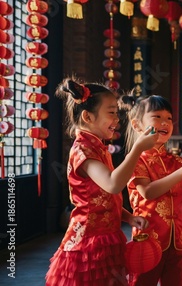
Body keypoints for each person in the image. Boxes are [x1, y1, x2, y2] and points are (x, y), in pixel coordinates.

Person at [46, 78, 156, 286]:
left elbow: (104, 197)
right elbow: (113, 184)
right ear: (88, 116)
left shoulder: (97, 147)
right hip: (89, 242)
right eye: (111, 112)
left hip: (107, 237)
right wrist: (138, 148)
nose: (117, 119)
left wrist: (128, 217)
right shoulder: (83, 150)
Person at [119, 94, 182, 286]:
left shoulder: (176, 161)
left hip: (176, 239)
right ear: (137, 125)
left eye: (169, 118)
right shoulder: (136, 160)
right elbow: (148, 192)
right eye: (157, 117)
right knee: (143, 281)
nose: (165, 122)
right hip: (148, 238)